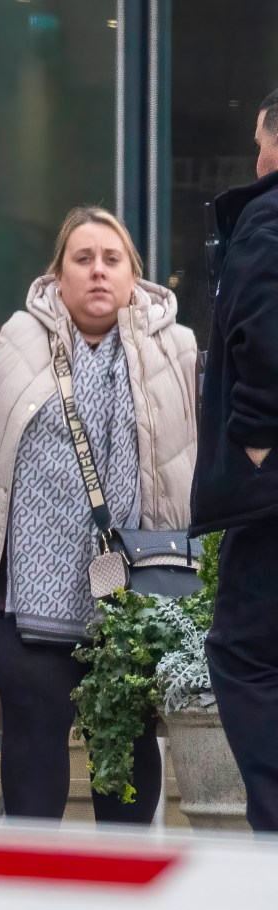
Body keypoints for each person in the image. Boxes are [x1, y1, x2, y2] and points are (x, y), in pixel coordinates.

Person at [0, 206, 198, 823]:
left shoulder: (175, 350)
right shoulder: (13, 344)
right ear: (59, 276)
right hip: (22, 605)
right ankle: (32, 895)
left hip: (135, 602)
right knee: (34, 747)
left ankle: (119, 900)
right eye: (83, 259)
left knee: (125, 749)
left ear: (133, 276)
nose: (98, 272)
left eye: (111, 259)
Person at [190, 89, 278, 832]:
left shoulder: (269, 219)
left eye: (260, 143)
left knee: (242, 653)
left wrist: (255, 440)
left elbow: (266, 335)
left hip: (272, 497)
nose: (256, 161)